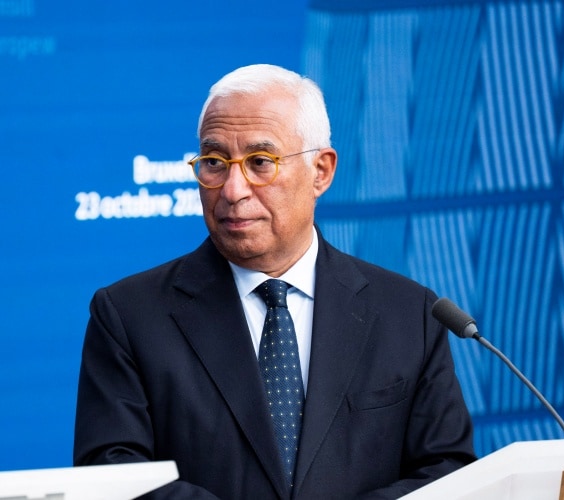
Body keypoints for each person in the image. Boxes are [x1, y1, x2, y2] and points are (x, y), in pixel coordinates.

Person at [73, 63, 476, 499]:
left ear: (321, 171)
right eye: (214, 163)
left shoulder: (410, 314)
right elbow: (112, 475)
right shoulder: (130, 316)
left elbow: (448, 472)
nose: (232, 190)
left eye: (260, 162)